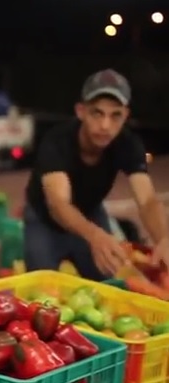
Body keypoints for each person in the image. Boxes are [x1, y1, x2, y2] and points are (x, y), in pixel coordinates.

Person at [23, 69, 169, 280]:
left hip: (91, 212)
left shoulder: (128, 143)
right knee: (41, 286)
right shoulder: (56, 141)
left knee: (108, 282)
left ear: (126, 115)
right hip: (44, 219)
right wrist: (95, 236)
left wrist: (163, 239)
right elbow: (58, 205)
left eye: (115, 115)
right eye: (97, 113)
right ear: (81, 111)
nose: (105, 126)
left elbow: (147, 200)